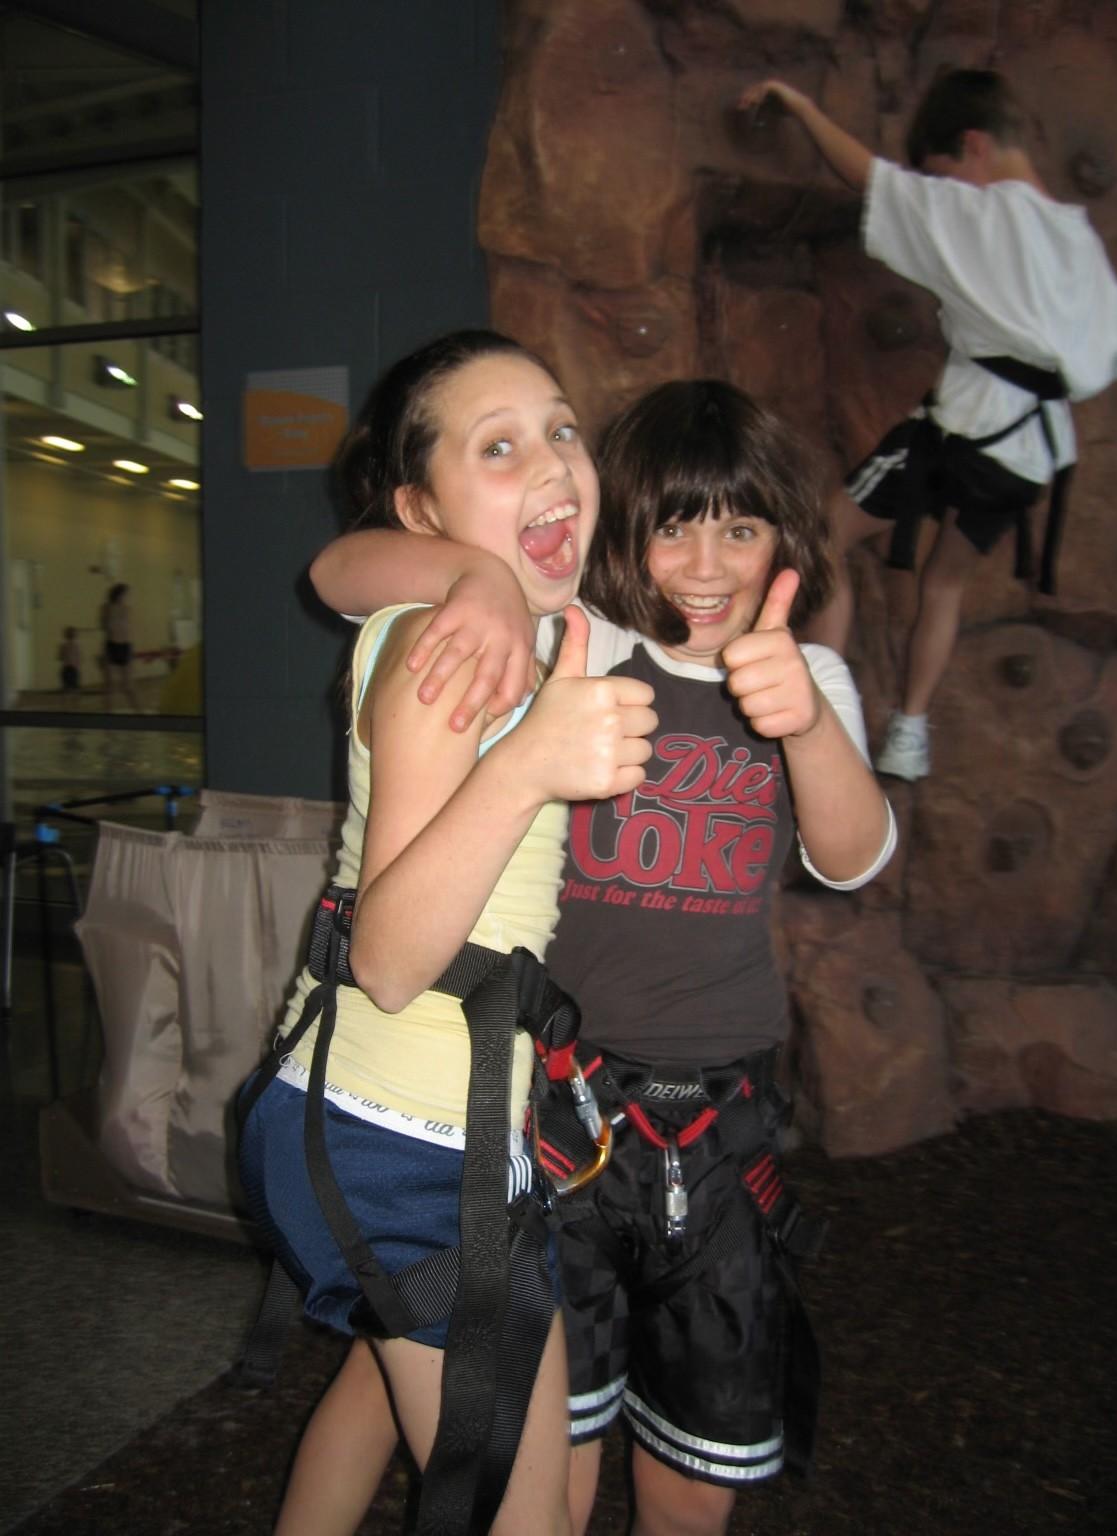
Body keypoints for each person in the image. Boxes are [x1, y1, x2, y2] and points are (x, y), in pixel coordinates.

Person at [311, 377, 896, 1536]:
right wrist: (477, 578)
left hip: (726, 1126)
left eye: (741, 524)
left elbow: (855, 855)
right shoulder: (585, 639)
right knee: (555, 1471)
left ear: (783, 532)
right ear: (625, 533)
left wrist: (808, 720)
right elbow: (336, 574)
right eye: (674, 523)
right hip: (566, 1114)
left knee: (694, 1485)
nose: (707, 560)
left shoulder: (804, 678)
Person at [238, 329, 658, 1536]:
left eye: (564, 429)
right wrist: (527, 763)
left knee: (376, 1394)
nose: (554, 461)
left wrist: (481, 583)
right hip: (400, 1144)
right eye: (500, 445)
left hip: (397, 1113)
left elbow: (335, 568)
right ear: (423, 509)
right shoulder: (447, 645)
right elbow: (387, 957)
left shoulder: (511, 627)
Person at [737, 68, 1117, 780]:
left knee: (825, 541)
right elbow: (1113, 350)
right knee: (945, 583)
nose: (941, 188)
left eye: (944, 172)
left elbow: (872, 179)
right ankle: (910, 731)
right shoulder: (1078, 243)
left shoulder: (983, 217)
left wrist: (799, 104)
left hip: (957, 433)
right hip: (1032, 456)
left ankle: (833, 714)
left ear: (973, 145)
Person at [99, 582, 139, 710]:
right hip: (111, 646)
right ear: (118, 594)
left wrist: (132, 650)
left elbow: (127, 630)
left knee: (128, 686)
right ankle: (108, 716)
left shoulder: (127, 609)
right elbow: (104, 626)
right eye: (125, 594)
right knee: (109, 686)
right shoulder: (106, 607)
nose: (126, 597)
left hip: (125, 646)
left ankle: (139, 713)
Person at [57, 626, 81, 691]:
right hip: (70, 668)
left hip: (69, 668)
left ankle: (69, 695)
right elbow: (78, 657)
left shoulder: (64, 645)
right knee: (72, 686)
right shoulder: (75, 645)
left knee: (69, 686)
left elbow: (60, 657)